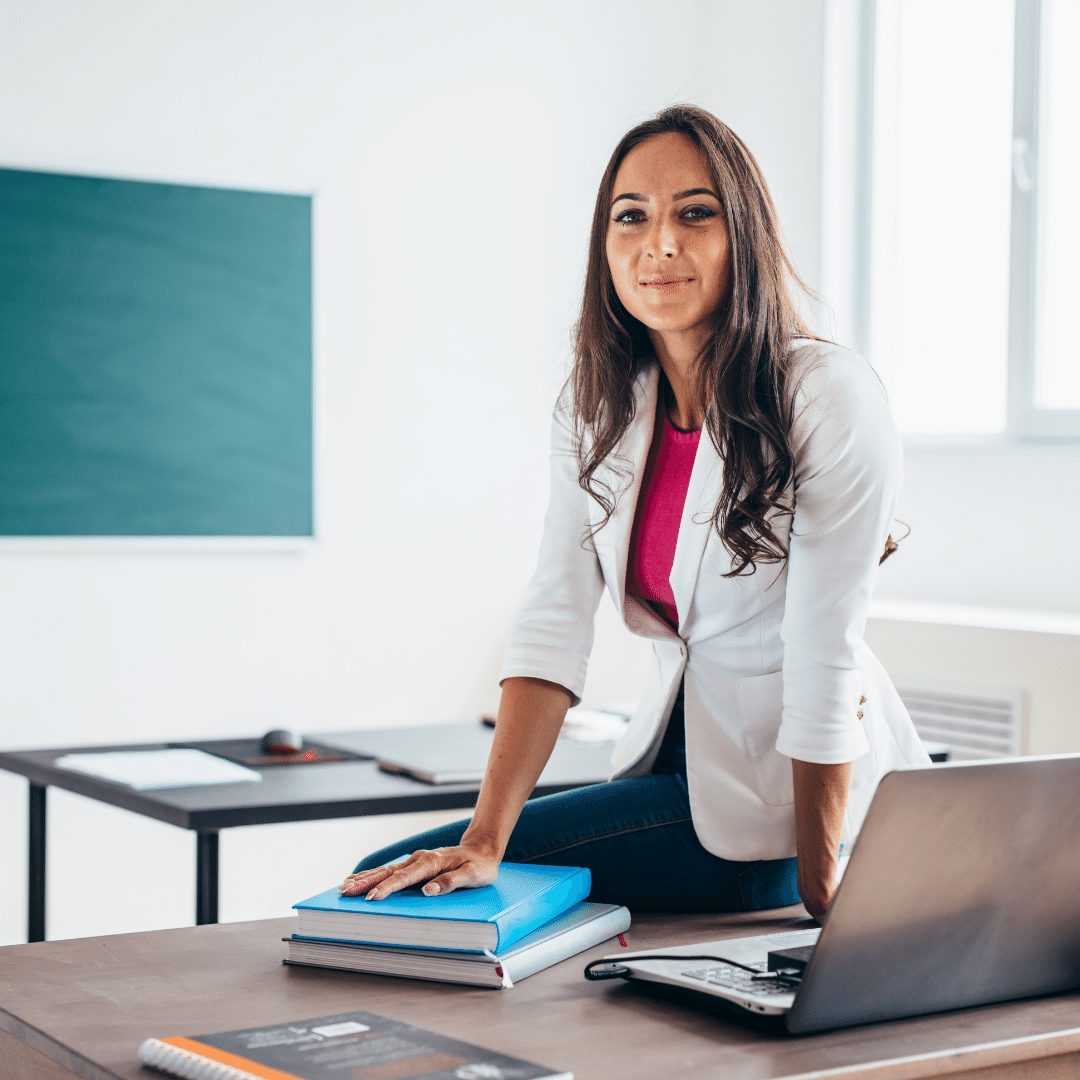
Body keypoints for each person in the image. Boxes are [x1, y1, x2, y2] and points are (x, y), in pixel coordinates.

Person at [340, 105, 929, 923]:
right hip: (672, 774)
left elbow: (823, 650)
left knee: (388, 889)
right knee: (403, 882)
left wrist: (824, 885)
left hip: (790, 817)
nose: (660, 244)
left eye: (696, 213)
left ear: (744, 235)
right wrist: (485, 838)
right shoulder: (598, 405)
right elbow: (554, 617)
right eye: (632, 217)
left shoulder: (826, 395)